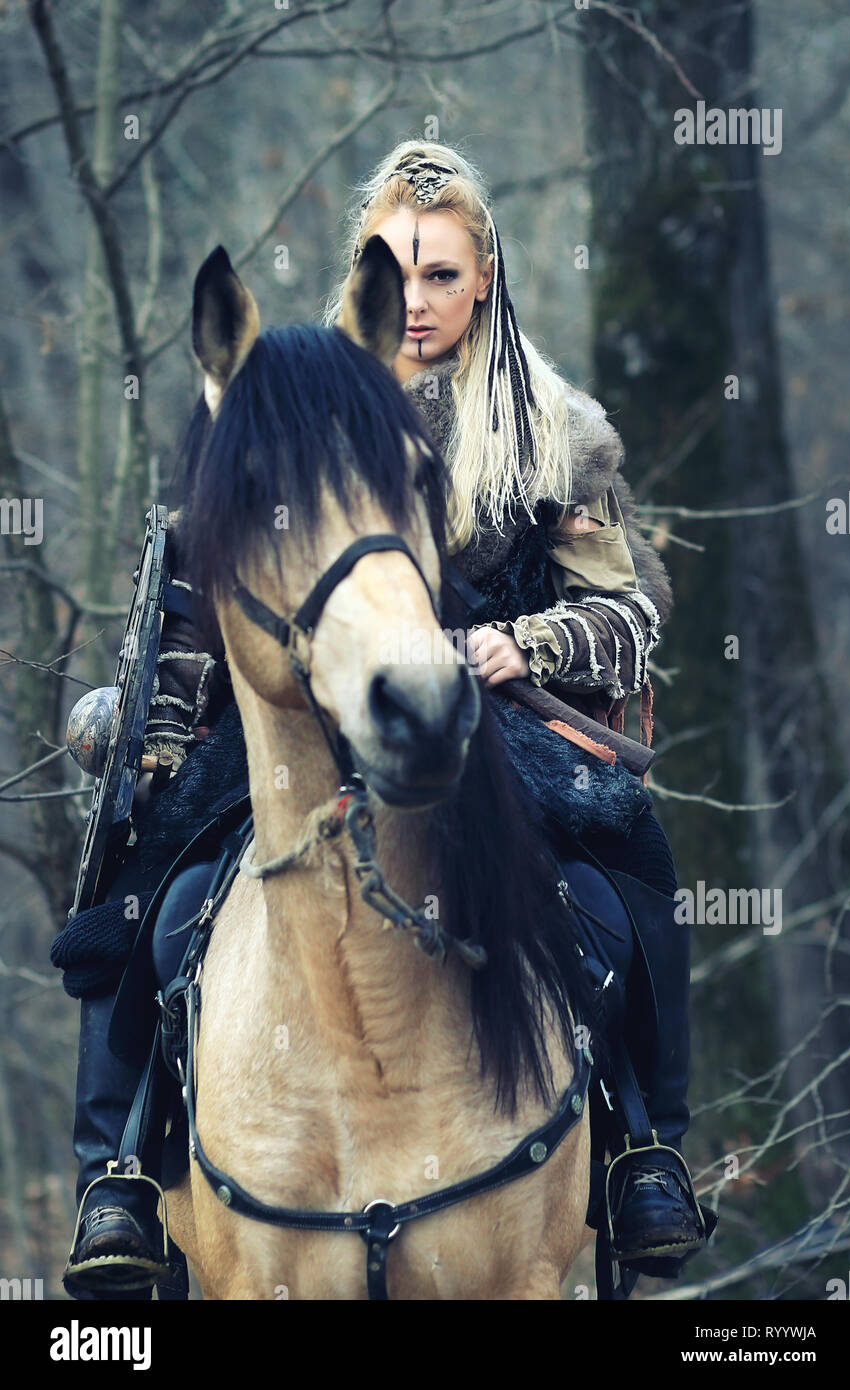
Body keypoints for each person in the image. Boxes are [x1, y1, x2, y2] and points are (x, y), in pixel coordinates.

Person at [59, 141, 706, 1298]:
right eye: (399, 274)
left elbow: (626, 610)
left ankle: (642, 1152)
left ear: (486, 281)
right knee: (150, 896)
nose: (418, 302)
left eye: (444, 276)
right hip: (303, 714)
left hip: (489, 708)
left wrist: (532, 642)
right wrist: (158, 726)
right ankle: (117, 1174)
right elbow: (214, 586)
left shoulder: (553, 430)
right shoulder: (293, 397)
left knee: (617, 880)